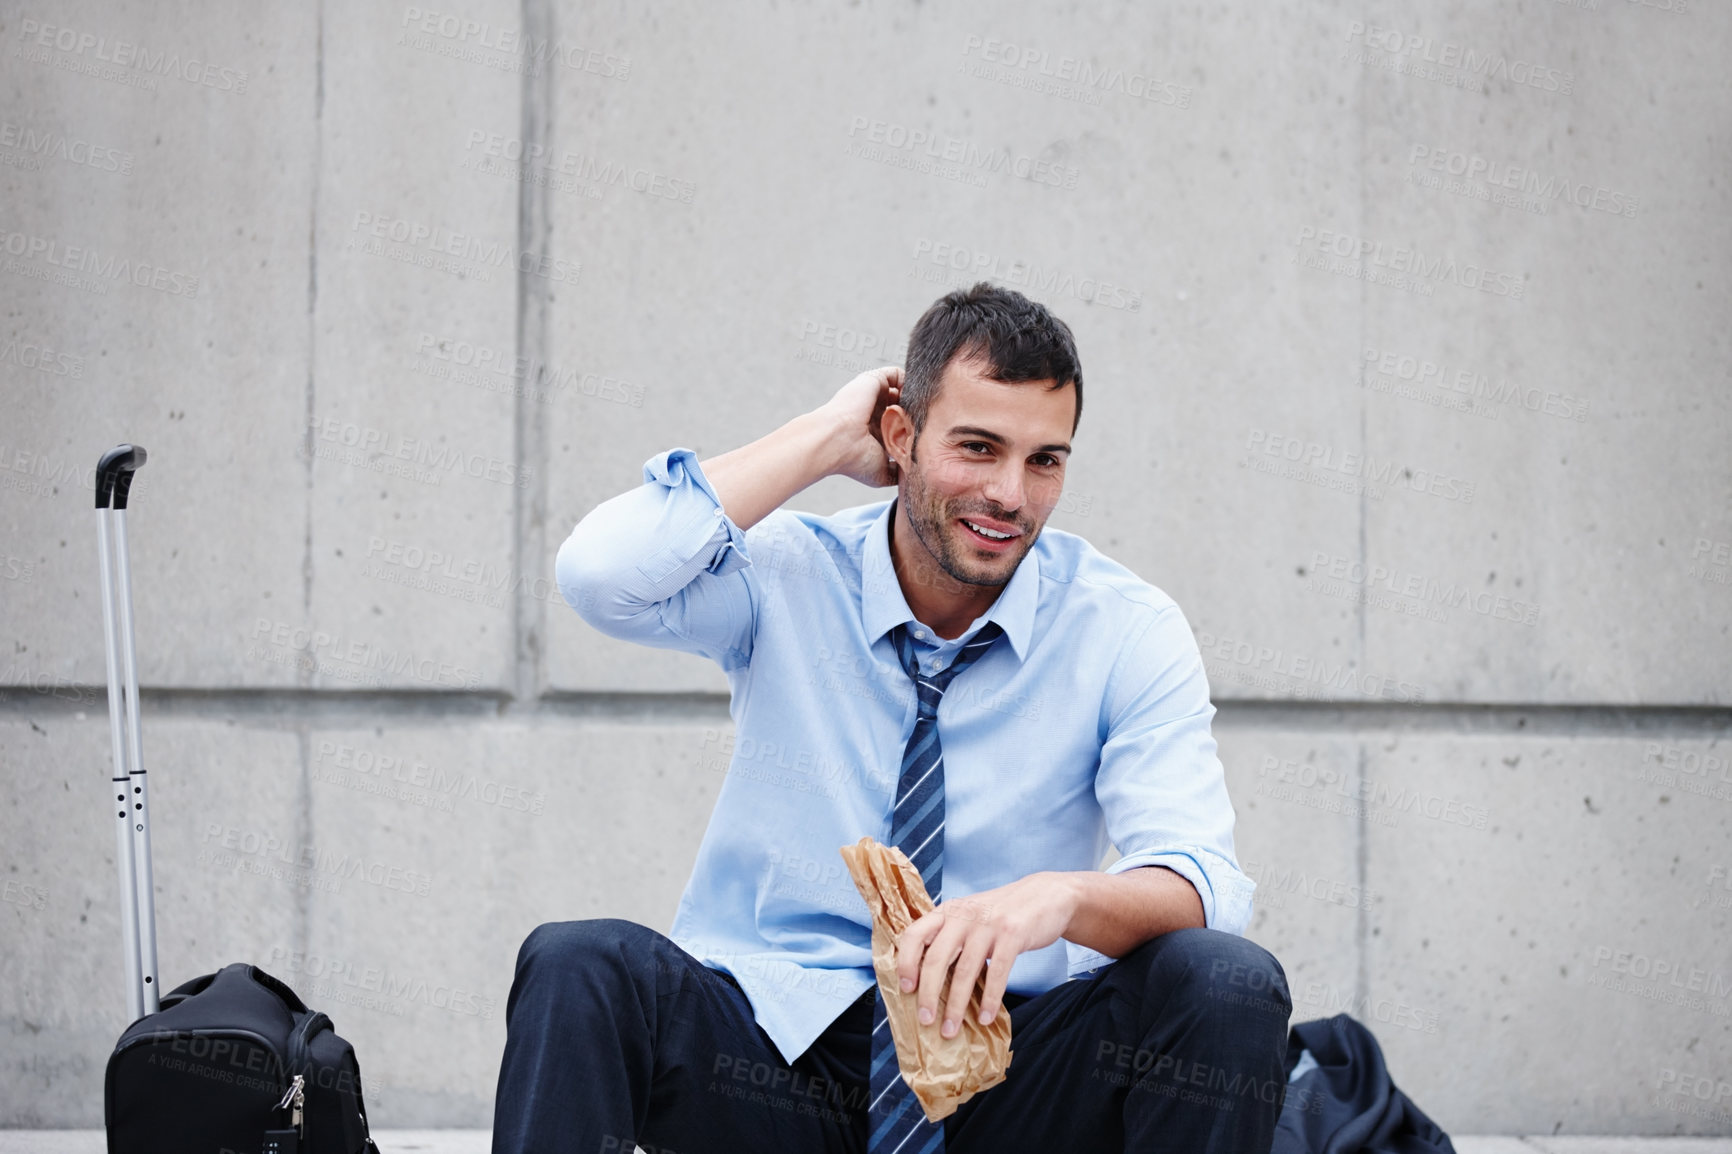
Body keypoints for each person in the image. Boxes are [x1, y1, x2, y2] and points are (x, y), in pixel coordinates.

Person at [493, 283, 1291, 1154]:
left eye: (1045, 460)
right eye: (977, 448)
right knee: (577, 966)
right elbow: (601, 573)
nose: (1010, 495)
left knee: (1226, 982)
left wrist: (1055, 900)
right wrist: (829, 439)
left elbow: (1202, 884)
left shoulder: (1123, 627)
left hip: (1007, 1064)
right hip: (774, 1054)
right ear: (902, 437)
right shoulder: (790, 576)